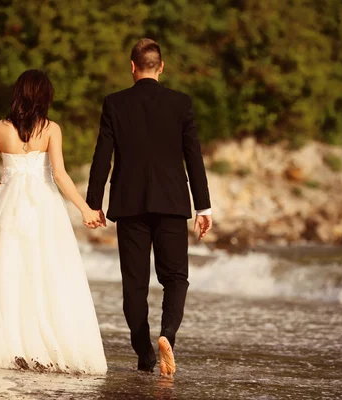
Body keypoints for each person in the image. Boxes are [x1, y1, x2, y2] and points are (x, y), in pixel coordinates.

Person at [0, 70, 107, 374]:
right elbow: (61, 176)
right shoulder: (52, 129)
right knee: (45, 274)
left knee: (5, 274)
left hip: (8, 208)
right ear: (45, 97)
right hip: (44, 209)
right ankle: (42, 347)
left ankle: (5, 344)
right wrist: (85, 209)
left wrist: (5, 193)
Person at [86, 38, 213, 378]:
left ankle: (144, 353)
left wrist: (93, 204)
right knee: (175, 278)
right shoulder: (181, 103)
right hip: (172, 203)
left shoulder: (115, 103)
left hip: (129, 205)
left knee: (134, 284)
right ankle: (166, 335)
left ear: (132, 67)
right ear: (161, 66)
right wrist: (203, 207)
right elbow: (193, 158)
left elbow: (102, 157)